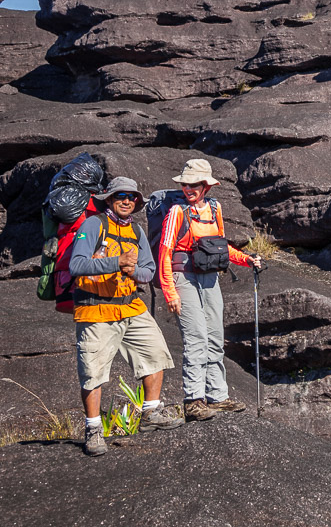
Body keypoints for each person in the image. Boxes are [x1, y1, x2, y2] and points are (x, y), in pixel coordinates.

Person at [69, 177, 184, 456]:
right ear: (109, 199)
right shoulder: (93, 225)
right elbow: (76, 264)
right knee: (93, 372)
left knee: (156, 353)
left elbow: (148, 271)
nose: (126, 201)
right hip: (96, 308)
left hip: (131, 306)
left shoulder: (136, 230)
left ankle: (151, 413)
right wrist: (116, 262)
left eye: (132, 197)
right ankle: (94, 429)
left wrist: (133, 272)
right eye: (120, 195)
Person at [156, 158, 262, 421]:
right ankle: (193, 400)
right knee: (196, 338)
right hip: (184, 278)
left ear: (206, 186)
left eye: (194, 184)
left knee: (215, 336)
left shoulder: (215, 208)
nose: (188, 188)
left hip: (210, 279)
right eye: (185, 184)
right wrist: (170, 292)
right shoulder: (176, 213)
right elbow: (165, 252)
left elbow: (220, 247)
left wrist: (247, 260)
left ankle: (217, 396)